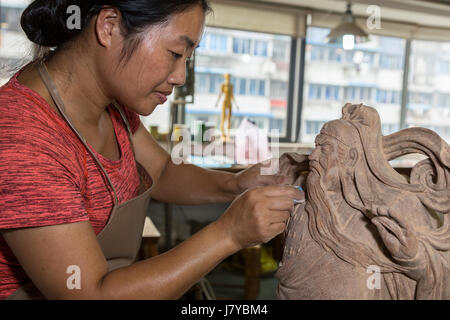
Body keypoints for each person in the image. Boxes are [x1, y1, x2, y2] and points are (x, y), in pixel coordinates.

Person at [0, 0, 304, 300]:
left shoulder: (114, 105)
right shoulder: (22, 134)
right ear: (109, 27)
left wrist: (234, 185)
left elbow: (160, 170)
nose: (180, 77)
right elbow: (90, 294)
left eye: (186, 58)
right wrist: (229, 234)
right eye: (174, 53)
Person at [276, 104, 450, 299]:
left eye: (324, 149)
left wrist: (412, 258)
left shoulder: (393, 206)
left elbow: (437, 270)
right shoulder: (303, 201)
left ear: (351, 157)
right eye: (316, 146)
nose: (313, 156)